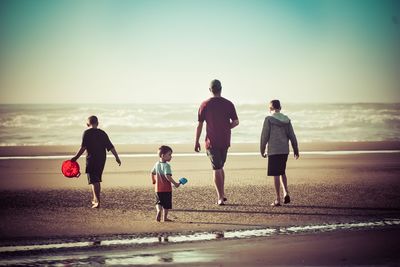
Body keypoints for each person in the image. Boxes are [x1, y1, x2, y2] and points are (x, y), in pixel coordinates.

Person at [195, 79, 239, 206]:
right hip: (225, 140)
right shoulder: (228, 104)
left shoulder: (205, 104)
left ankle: (220, 197)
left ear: (210, 90)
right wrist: (226, 128)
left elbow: (199, 125)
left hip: (212, 141)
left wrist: (196, 141)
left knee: (217, 168)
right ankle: (222, 194)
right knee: (220, 166)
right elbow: (236, 122)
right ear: (221, 89)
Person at [71, 115, 121, 208]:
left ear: (87, 124)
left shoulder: (86, 133)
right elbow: (110, 147)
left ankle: (97, 201)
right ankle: (95, 199)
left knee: (94, 180)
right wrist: (117, 157)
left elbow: (83, 147)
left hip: (91, 159)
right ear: (97, 123)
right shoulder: (102, 133)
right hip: (102, 159)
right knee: (96, 179)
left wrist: (76, 157)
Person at [260, 100, 299, 206]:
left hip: (274, 151)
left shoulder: (268, 119)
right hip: (284, 150)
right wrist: (296, 149)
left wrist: (262, 150)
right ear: (280, 108)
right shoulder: (286, 120)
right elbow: (292, 135)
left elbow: (264, 136)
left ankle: (277, 198)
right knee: (282, 171)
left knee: (276, 174)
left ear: (270, 109)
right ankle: (286, 192)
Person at [151, 145, 180, 222]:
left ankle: (158, 211)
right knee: (166, 204)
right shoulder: (167, 166)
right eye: (169, 155)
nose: (171, 157)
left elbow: (152, 172)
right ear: (163, 156)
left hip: (158, 189)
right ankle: (165, 218)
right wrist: (175, 183)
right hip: (166, 189)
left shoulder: (157, 164)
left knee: (158, 202)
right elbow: (167, 176)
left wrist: (153, 180)